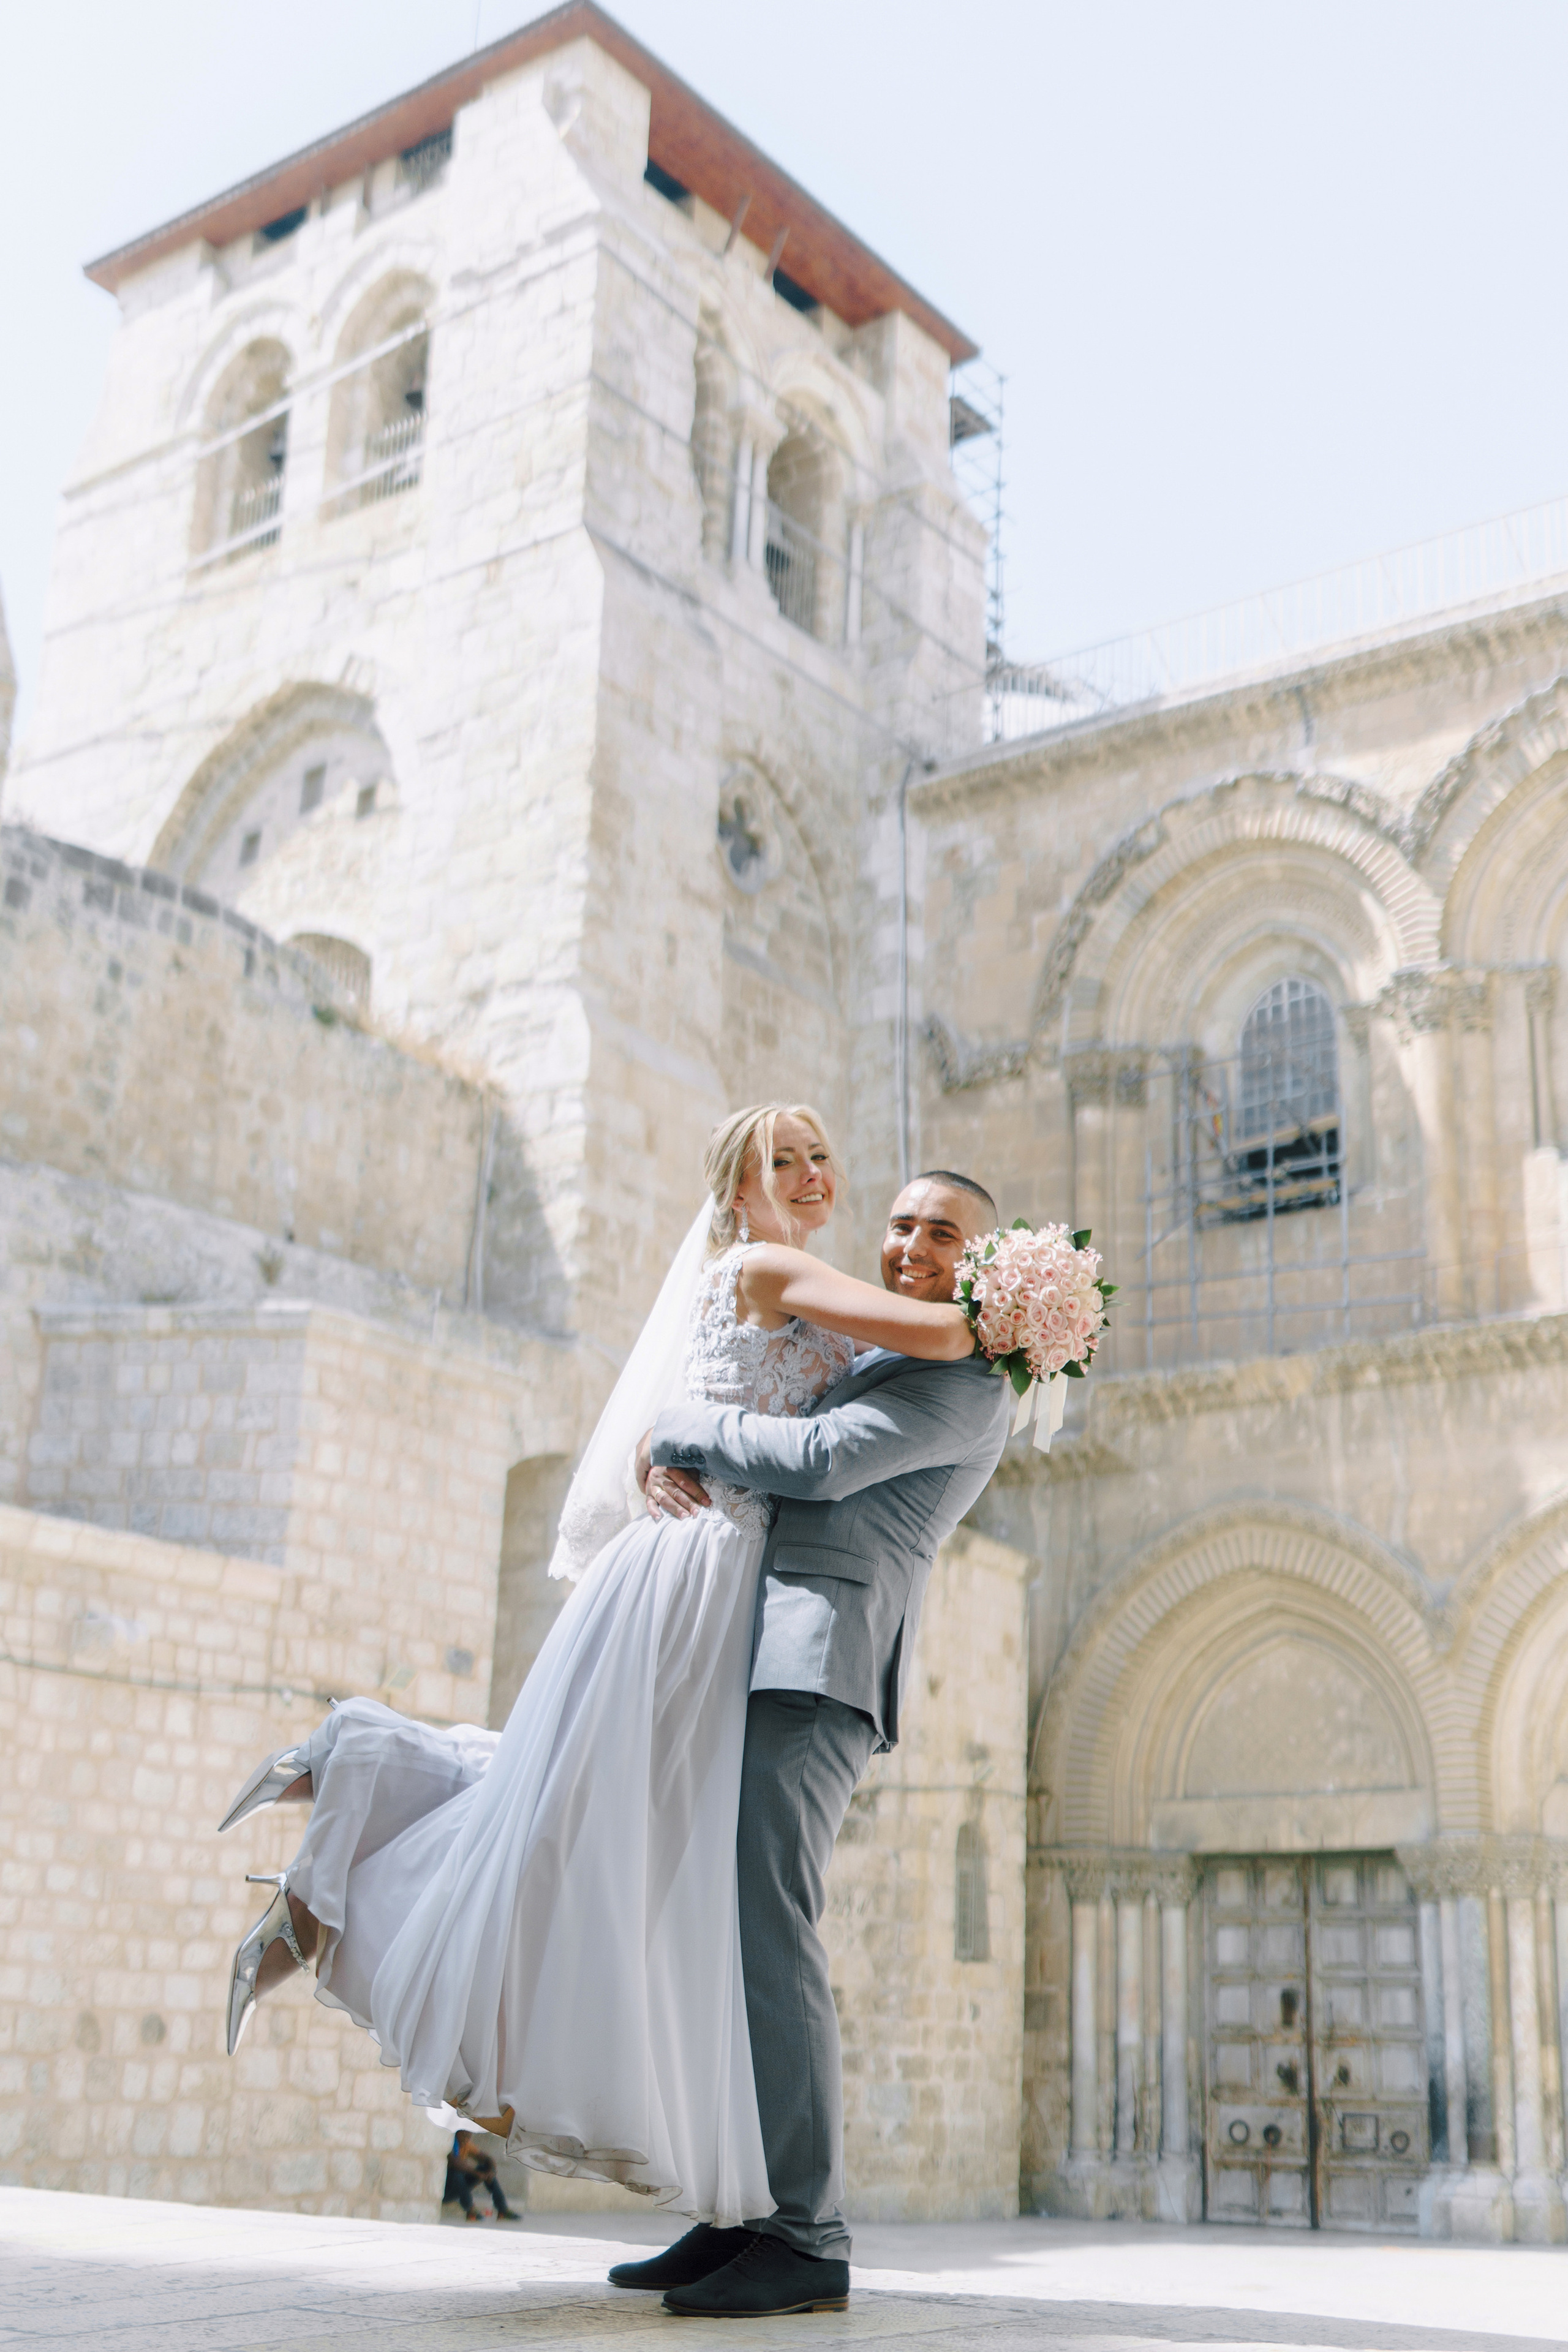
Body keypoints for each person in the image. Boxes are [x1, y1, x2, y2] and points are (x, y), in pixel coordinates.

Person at [215, 1106, 979, 2251]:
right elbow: (928, 1354)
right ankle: (350, 1805)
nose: (816, 1176)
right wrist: (1024, 1304)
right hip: (702, 1576)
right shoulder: (776, 1264)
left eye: (824, 1156)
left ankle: (350, 1803)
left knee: (590, 1818)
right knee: (579, 1815)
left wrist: (678, 1426)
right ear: (736, 1194)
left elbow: (865, 1398)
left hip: (735, 1592)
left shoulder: (820, 1291)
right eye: (786, 1163)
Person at [605, 1170, 1011, 2318]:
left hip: (817, 1659)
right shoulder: (889, 1354)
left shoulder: (970, 1385)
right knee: (724, 1935)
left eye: (943, 1233)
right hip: (755, 1640)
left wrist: (675, 1427)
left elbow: (822, 1462)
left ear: (980, 1264)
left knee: (772, 1934)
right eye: (901, 1224)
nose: (912, 1245)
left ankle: (807, 2233)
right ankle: (738, 2211)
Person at [442, 2128, 519, 2222]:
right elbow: (455, 2163)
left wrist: (491, 2171)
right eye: (464, 2134)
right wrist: (477, 2174)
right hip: (446, 2191)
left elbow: (487, 2159)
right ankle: (471, 2210)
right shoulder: (450, 2143)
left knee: (485, 2169)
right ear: (458, 2133)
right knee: (456, 2173)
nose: (467, 2137)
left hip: (459, 2188)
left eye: (469, 2135)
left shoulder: (466, 2145)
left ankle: (503, 2209)